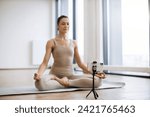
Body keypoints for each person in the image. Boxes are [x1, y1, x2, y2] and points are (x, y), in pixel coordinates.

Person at [33, 15, 105, 91]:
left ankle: (67, 83)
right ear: (58, 26)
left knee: (98, 81)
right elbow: (45, 63)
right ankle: (61, 81)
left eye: (68, 24)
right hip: (54, 75)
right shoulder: (51, 42)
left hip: (70, 76)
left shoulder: (74, 42)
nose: (66, 26)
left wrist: (96, 72)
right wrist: (39, 74)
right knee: (39, 83)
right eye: (63, 23)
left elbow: (80, 63)